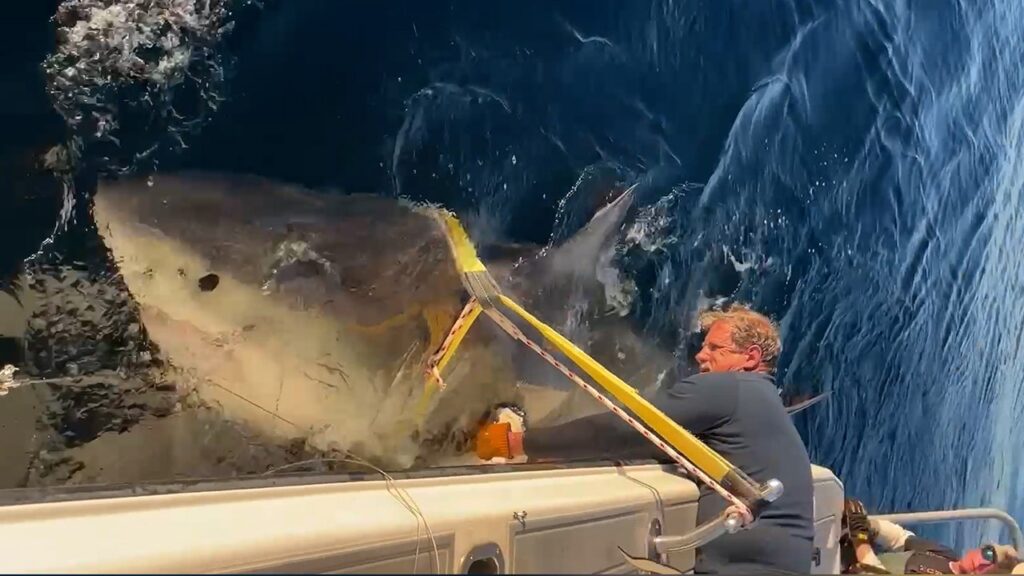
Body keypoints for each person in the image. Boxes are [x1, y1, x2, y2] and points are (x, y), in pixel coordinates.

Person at [474, 303, 815, 574]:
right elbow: (663, 443)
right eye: (703, 346)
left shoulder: (728, 388)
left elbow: (624, 428)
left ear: (750, 358)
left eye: (715, 348)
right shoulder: (764, 401)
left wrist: (518, 443)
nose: (700, 355)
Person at [842, 498, 1022, 574]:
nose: (982, 563)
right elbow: (901, 539)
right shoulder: (946, 555)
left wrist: (861, 541)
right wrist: (871, 527)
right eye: (988, 553)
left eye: (991, 570)